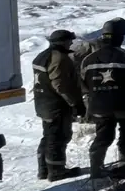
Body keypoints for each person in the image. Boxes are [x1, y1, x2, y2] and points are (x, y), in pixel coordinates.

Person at [81, 18, 125, 180]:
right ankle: (124, 162)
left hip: (99, 107)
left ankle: (96, 170)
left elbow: (83, 85)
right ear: (120, 38)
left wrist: (93, 98)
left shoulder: (88, 60)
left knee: (103, 136)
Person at [31, 29, 85, 181]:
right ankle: (56, 171)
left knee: (48, 135)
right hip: (56, 105)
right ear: (62, 42)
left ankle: (44, 170)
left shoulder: (41, 56)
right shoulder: (60, 58)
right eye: (69, 40)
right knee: (59, 136)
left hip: (43, 103)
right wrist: (75, 103)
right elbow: (61, 85)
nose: (71, 43)